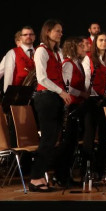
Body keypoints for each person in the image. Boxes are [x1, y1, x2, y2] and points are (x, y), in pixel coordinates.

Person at [30, 20, 71, 191]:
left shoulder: (56, 52)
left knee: (53, 139)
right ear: (47, 32)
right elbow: (42, 78)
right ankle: (35, 178)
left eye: (61, 31)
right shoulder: (41, 51)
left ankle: (41, 176)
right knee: (48, 138)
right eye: (57, 31)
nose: (60, 34)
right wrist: (61, 92)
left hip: (54, 97)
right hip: (46, 97)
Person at [82, 32, 106, 179]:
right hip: (92, 99)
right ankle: (87, 170)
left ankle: (100, 170)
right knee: (90, 135)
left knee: (104, 136)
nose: (103, 43)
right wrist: (90, 94)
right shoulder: (88, 58)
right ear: (95, 42)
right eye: (100, 40)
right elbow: (86, 79)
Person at [59, 36, 89, 187]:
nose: (84, 48)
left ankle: (67, 175)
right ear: (73, 47)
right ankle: (61, 176)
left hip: (78, 107)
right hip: (70, 107)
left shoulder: (78, 63)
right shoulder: (68, 64)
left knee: (73, 143)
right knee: (67, 143)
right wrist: (82, 94)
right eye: (81, 46)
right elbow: (67, 87)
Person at [1, 26, 36, 93]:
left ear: (34, 37)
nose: (28, 36)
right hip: (18, 92)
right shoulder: (12, 53)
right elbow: (8, 76)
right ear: (21, 38)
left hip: (36, 92)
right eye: (25, 35)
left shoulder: (39, 52)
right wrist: (7, 94)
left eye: (31, 34)